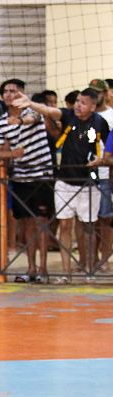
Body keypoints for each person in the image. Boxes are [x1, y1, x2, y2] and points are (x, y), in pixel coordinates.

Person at [13, 88, 109, 282]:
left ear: (92, 106)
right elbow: (48, 111)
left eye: (83, 103)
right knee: (65, 225)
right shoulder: (67, 116)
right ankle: (66, 273)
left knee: (88, 226)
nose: (78, 105)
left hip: (89, 182)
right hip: (64, 181)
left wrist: (101, 161)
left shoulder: (100, 123)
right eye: (77, 102)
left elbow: (109, 149)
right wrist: (30, 103)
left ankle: (89, 269)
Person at [0, 79, 54, 283]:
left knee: (41, 223)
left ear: (22, 94)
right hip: (20, 178)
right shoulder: (0, 122)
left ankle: (44, 269)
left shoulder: (32, 112)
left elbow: (32, 120)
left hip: (41, 176)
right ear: (2, 97)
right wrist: (12, 154)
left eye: (15, 91)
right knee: (26, 224)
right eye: (7, 92)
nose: (11, 94)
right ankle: (31, 269)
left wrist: (19, 122)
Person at [88, 79, 113, 270]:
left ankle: (105, 258)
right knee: (89, 219)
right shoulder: (86, 115)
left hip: (105, 172)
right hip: (87, 172)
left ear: (106, 93)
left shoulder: (111, 115)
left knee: (105, 217)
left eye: (99, 93)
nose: (96, 96)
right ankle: (91, 258)